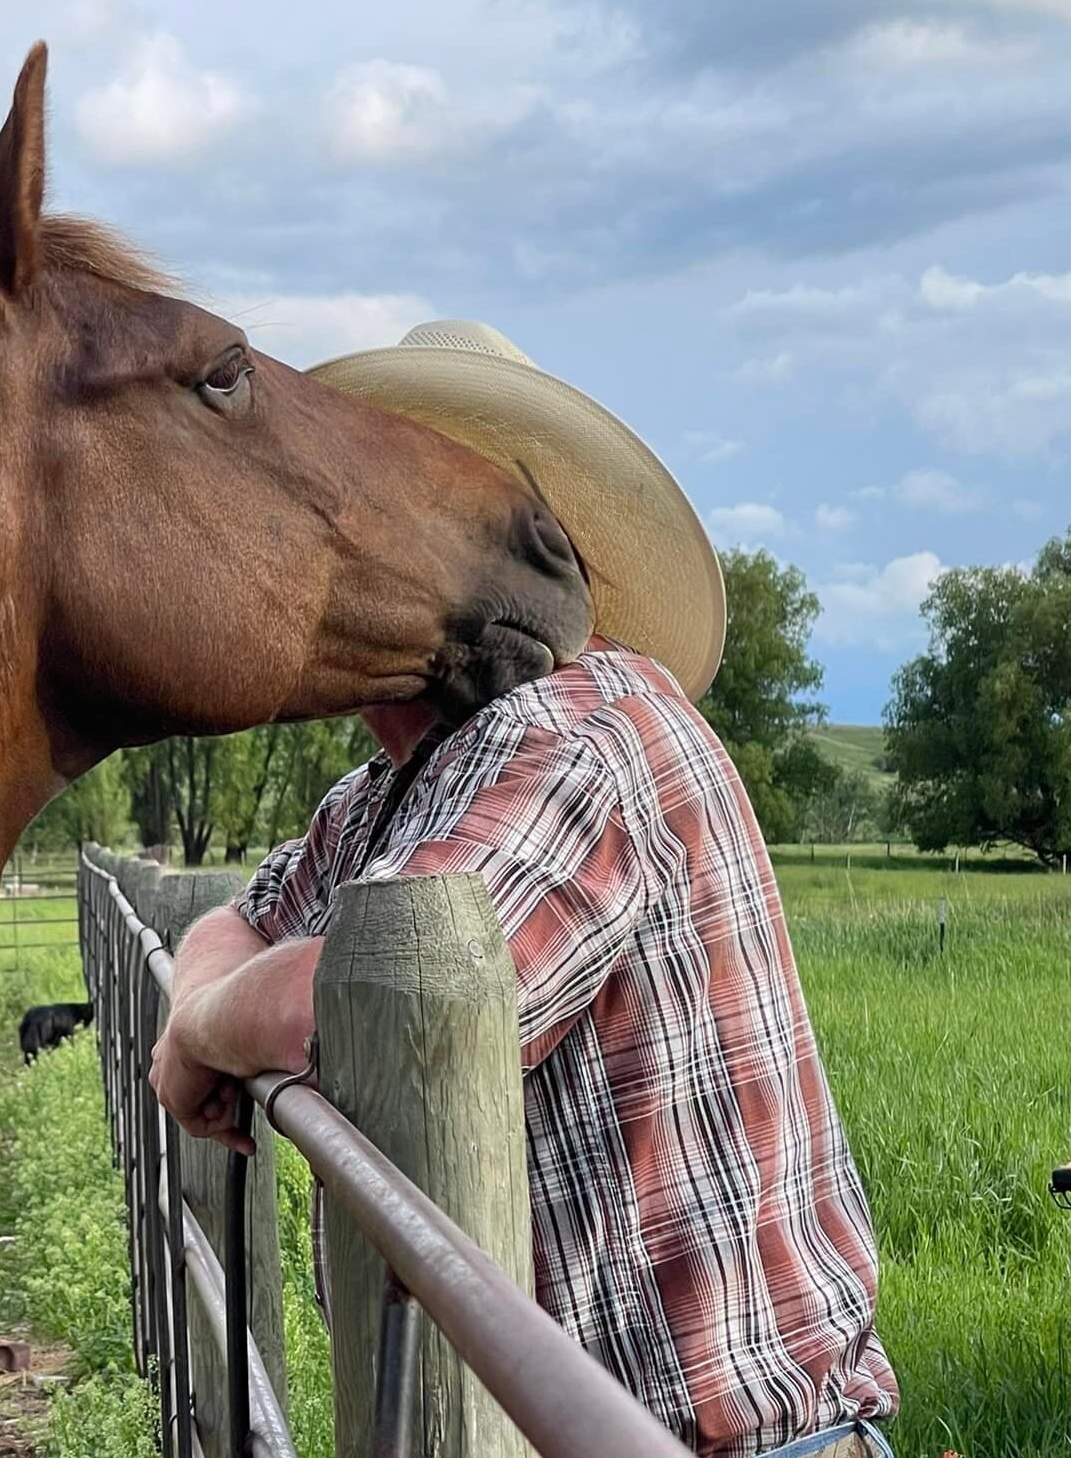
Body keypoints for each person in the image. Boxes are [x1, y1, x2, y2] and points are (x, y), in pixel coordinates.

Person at [150, 322, 899, 1458]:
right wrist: (209, 1011)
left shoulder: (577, 727)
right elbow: (239, 923)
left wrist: (201, 1028)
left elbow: (363, 998)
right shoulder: (392, 787)